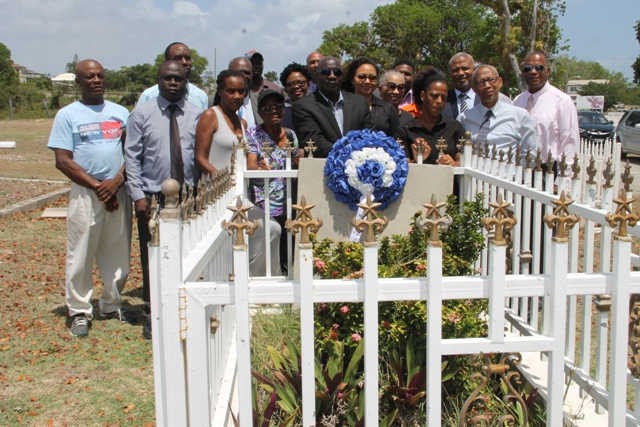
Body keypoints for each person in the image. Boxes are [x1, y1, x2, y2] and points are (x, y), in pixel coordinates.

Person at [48, 59, 132, 337]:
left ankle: (111, 303)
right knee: (81, 253)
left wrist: (116, 181)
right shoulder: (68, 115)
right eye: (89, 76)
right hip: (87, 192)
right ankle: (80, 310)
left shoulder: (121, 113)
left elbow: (131, 153)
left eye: (100, 75)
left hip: (118, 190)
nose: (96, 80)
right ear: (79, 83)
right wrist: (99, 187)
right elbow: (63, 160)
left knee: (117, 251)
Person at [125, 61, 203, 339]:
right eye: (167, 78)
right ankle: (152, 312)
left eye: (178, 79)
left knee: (188, 252)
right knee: (153, 256)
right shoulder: (141, 114)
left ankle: (185, 309)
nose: (173, 83)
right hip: (152, 197)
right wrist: (137, 196)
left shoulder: (198, 115)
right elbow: (132, 159)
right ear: (158, 80)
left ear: (186, 81)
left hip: (189, 196)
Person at [195, 70, 282, 276]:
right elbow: (200, 158)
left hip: (241, 196)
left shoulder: (242, 123)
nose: (236, 96)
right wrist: (226, 181)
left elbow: (244, 160)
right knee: (225, 244)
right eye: (231, 91)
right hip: (217, 194)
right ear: (220, 91)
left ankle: (255, 284)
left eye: (241, 91)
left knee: (272, 228)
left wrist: (259, 167)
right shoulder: (210, 115)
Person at [246, 90, 301, 274]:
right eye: (268, 108)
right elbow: (250, 165)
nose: (274, 111)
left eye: (278, 107)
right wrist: (261, 168)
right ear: (260, 113)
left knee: (288, 246)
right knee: (270, 242)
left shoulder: (291, 135)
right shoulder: (253, 133)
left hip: (288, 200)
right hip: (263, 201)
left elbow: (296, 162)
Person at [292, 56, 373, 158]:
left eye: (337, 72)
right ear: (316, 76)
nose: (332, 76)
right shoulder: (303, 106)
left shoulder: (360, 103)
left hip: (358, 168)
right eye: (326, 72)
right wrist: (348, 152)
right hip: (323, 169)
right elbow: (314, 142)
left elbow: (369, 136)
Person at [513, 52, 579, 173]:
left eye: (539, 67)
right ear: (523, 73)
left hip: (548, 170)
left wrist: (562, 179)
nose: (533, 72)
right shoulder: (518, 101)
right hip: (520, 170)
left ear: (547, 71)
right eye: (528, 68)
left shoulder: (562, 101)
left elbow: (569, 142)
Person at [458, 65, 536, 160]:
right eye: (482, 82)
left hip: (507, 173)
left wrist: (515, 173)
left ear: (500, 82)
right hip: (473, 173)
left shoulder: (519, 115)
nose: (487, 86)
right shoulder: (464, 118)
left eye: (491, 80)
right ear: (474, 88)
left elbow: (530, 154)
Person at [397, 67, 465, 166]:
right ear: (423, 96)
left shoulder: (455, 127)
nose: (439, 101)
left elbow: (463, 162)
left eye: (444, 97)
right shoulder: (405, 130)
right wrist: (417, 160)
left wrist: (453, 163)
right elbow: (402, 167)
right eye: (434, 96)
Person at [137, 42, 208, 111]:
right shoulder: (149, 95)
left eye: (187, 58)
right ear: (166, 63)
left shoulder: (200, 97)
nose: (184, 62)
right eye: (178, 58)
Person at [443, 53, 512, 121]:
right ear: (450, 74)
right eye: (455, 70)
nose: (460, 73)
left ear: (474, 70)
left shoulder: (494, 97)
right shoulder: (443, 100)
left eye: (465, 68)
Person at [341, 58, 398, 138]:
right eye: (362, 77)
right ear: (352, 80)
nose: (367, 81)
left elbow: (394, 139)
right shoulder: (341, 106)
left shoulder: (388, 108)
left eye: (372, 78)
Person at [279, 62, 312, 129]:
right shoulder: (281, 111)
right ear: (285, 89)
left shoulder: (318, 106)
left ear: (308, 84)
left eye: (300, 83)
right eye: (291, 84)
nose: (296, 86)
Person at [229, 57, 259, 127]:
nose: (243, 76)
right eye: (238, 72)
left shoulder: (260, 102)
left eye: (247, 73)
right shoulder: (212, 102)